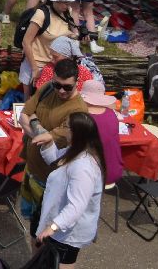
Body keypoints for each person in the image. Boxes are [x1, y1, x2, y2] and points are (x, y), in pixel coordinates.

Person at [18, 57, 90, 222]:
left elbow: (46, 139)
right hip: (31, 169)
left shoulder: (78, 111)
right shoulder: (47, 89)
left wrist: (34, 120)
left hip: (50, 180)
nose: (61, 91)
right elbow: (23, 115)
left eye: (67, 87)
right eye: (57, 85)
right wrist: (40, 133)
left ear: (77, 82)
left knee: (43, 230)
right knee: (32, 224)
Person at [32, 111, 106, 263]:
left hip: (68, 232)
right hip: (59, 221)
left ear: (75, 133)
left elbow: (76, 206)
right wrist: (48, 143)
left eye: (66, 126)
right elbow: (55, 159)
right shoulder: (75, 150)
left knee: (63, 263)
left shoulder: (83, 167)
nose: (62, 128)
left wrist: (52, 227)